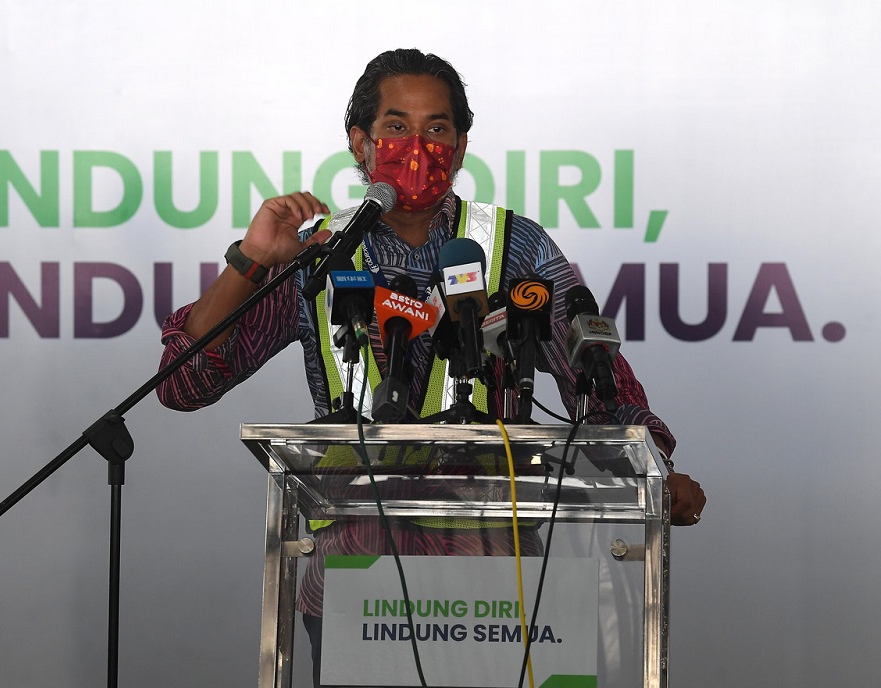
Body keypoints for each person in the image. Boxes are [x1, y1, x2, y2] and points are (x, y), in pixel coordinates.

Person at [157, 48, 706, 686]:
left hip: (502, 585)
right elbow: (184, 383)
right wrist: (252, 259)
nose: (417, 146)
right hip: (354, 579)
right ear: (358, 142)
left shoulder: (517, 247)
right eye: (395, 127)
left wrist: (656, 473)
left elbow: (604, 386)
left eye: (437, 129)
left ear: (463, 143)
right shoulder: (319, 251)